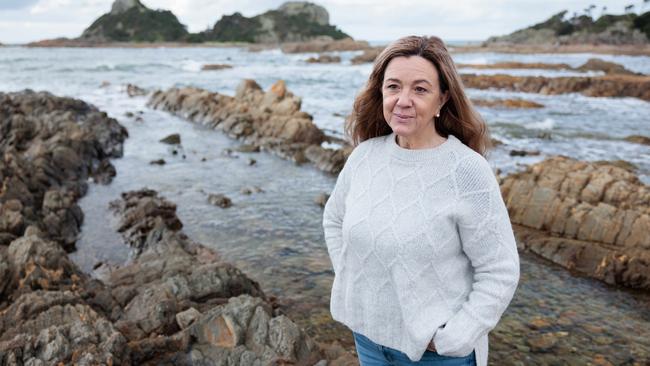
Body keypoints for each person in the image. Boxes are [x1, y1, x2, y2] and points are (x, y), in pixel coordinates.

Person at [322, 35, 520, 366]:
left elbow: (500, 269)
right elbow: (334, 220)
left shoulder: (467, 171)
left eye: (420, 89)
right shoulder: (364, 157)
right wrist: (351, 285)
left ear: (442, 99)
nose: (403, 100)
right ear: (380, 92)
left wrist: (455, 337)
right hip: (369, 340)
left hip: (435, 355)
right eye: (393, 87)